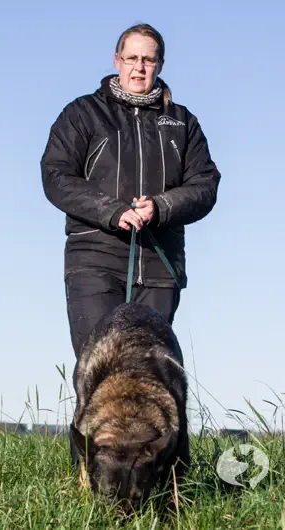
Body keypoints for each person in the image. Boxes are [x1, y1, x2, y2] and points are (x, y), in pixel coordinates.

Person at [41, 22, 221, 359]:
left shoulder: (183, 122)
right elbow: (56, 176)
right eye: (132, 58)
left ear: (160, 65)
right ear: (117, 60)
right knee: (100, 374)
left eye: (148, 60)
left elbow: (205, 185)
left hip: (159, 266)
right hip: (95, 262)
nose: (139, 67)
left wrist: (161, 206)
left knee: (149, 376)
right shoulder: (82, 114)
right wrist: (111, 210)